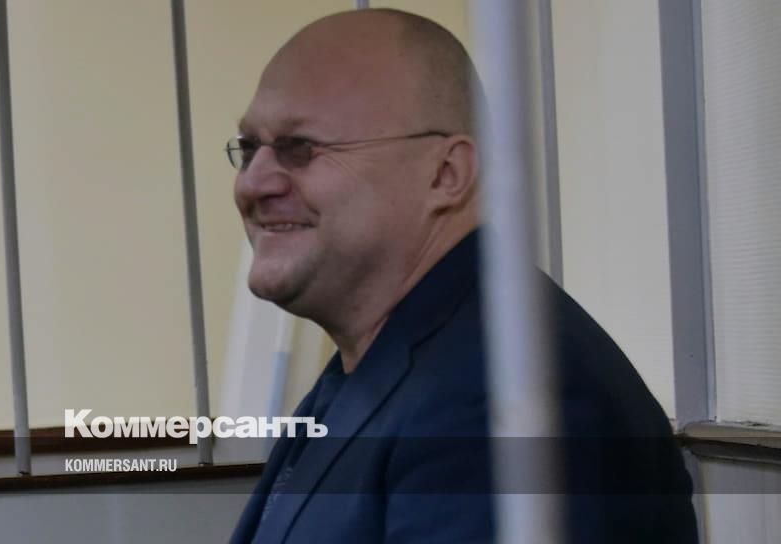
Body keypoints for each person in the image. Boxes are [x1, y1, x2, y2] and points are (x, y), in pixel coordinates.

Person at [225, 8, 697, 543]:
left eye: (300, 148)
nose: (253, 184)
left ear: (446, 174)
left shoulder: (502, 397)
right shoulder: (387, 362)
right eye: (249, 149)